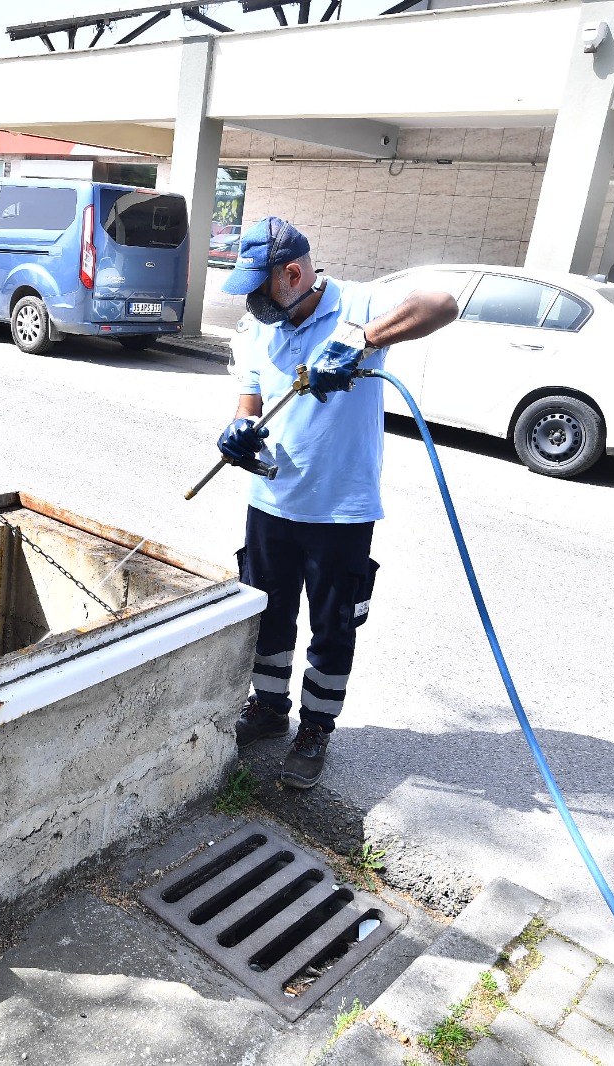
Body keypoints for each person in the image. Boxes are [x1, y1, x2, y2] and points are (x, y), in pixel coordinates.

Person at [216, 218, 457, 789]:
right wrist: (238, 433)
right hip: (270, 501)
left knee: (332, 625)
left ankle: (316, 726)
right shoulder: (257, 327)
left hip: (340, 510)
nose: (252, 301)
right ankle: (270, 710)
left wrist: (363, 340)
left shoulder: (362, 303)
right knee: (267, 615)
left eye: (260, 286)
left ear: (293, 273)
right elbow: (248, 404)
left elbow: (442, 302)